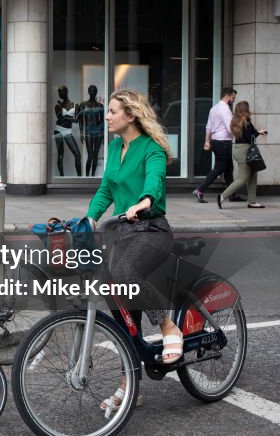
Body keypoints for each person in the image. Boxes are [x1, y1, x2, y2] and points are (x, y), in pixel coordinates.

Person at [86, 89, 179, 414]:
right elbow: (107, 188)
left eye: (112, 111)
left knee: (126, 275)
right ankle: (130, 385)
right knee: (123, 311)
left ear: (131, 115)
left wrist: (145, 201)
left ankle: (167, 325)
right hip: (122, 233)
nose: (107, 116)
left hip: (151, 229)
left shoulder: (151, 149)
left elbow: (154, 179)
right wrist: (90, 217)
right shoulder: (114, 147)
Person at [218, 101, 268, 209]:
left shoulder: (235, 120)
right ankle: (222, 196)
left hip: (238, 149)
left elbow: (247, 134)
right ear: (246, 109)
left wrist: (258, 132)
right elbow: (250, 136)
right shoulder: (246, 121)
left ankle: (252, 201)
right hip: (245, 150)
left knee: (253, 175)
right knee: (243, 178)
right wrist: (258, 132)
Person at [193, 87, 237, 203]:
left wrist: (207, 141)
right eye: (233, 98)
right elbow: (229, 128)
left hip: (215, 141)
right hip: (224, 142)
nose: (233, 100)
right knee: (219, 168)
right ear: (227, 97)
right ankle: (200, 190)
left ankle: (232, 194)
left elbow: (208, 126)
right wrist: (239, 135)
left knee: (228, 169)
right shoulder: (225, 109)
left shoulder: (214, 108)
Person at [76, 85, 105, 177]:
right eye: (91, 90)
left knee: (95, 154)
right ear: (88, 91)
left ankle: (92, 175)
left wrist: (104, 134)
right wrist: (81, 133)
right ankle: (87, 176)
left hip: (99, 131)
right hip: (88, 131)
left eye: (94, 90)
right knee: (90, 155)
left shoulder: (100, 105)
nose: (93, 92)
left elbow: (102, 121)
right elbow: (80, 120)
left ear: (96, 92)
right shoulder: (83, 104)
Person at [54, 85, 82, 176]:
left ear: (66, 92)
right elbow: (60, 117)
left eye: (61, 91)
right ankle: (61, 176)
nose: (59, 93)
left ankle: (79, 178)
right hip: (58, 130)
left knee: (77, 155)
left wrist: (67, 117)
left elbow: (76, 121)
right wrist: (71, 118)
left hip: (68, 131)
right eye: (58, 92)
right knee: (60, 155)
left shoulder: (74, 105)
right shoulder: (58, 105)